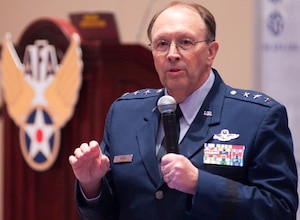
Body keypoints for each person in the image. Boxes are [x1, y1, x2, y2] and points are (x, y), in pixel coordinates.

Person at [69, 1, 298, 219]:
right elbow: (106, 212)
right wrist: (92, 186)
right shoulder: (124, 113)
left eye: (186, 42)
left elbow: (280, 210)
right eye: (161, 44)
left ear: (211, 52)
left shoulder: (257, 117)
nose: (172, 54)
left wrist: (201, 184)